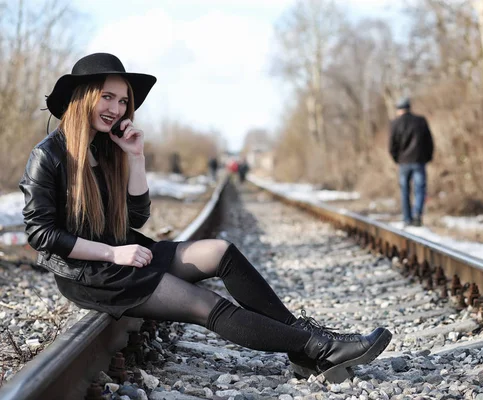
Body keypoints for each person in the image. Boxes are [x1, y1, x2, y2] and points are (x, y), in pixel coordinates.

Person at [19, 53, 392, 382]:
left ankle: (300, 342)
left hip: (124, 254)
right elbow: (40, 234)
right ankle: (319, 348)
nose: (116, 108)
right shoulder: (49, 155)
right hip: (92, 274)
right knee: (205, 304)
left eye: (122, 100)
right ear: (83, 97)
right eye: (107, 97)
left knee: (220, 251)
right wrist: (112, 254)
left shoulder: (108, 147)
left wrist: (135, 157)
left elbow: (136, 216)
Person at [389, 98, 434, 227]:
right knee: (419, 189)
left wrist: (396, 158)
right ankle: (417, 215)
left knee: (405, 191)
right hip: (419, 160)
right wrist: (428, 157)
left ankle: (407, 218)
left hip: (403, 162)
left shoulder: (395, 123)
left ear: (398, 109)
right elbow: (429, 142)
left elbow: (392, 145)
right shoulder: (420, 121)